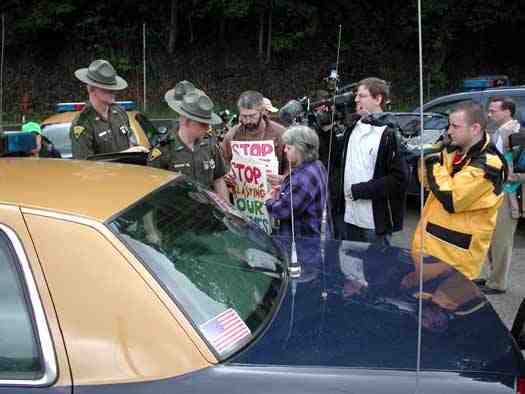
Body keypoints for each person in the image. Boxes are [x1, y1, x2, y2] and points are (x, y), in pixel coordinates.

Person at [412, 102, 506, 281]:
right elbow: (427, 184)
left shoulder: (489, 165)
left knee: (446, 305)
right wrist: (427, 157)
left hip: (456, 257)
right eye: (449, 125)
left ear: (475, 128)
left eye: (455, 126)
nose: (449, 131)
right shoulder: (453, 152)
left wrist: (432, 163)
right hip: (431, 245)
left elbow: (452, 199)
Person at [333, 77, 409, 245]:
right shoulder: (351, 129)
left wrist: (360, 190)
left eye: (362, 96)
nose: (356, 100)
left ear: (378, 99)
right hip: (348, 218)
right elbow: (335, 162)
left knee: (376, 269)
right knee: (349, 267)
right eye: (356, 95)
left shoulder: (389, 134)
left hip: (373, 223)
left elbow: (400, 179)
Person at [147, 89, 229, 201]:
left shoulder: (210, 145)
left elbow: (218, 179)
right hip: (177, 216)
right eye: (202, 124)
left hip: (208, 213)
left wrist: (227, 213)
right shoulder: (163, 151)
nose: (207, 128)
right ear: (186, 121)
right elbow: (152, 195)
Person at [476, 97, 522, 294]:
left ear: (507, 112)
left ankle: (498, 282)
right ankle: (492, 277)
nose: (489, 114)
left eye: (494, 110)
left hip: (509, 194)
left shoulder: (514, 133)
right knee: (493, 237)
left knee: (502, 239)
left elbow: (516, 166)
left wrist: (511, 176)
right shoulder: (500, 132)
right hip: (498, 192)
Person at [264, 125, 333, 238]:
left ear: (301, 150)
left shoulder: (303, 178)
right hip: (317, 237)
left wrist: (268, 201)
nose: (285, 150)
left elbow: (284, 211)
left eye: (289, 148)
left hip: (305, 244)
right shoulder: (316, 165)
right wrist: (284, 182)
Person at [70, 59, 145, 159]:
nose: (113, 91)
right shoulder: (82, 124)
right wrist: (125, 154)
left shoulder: (119, 113)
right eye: (107, 89)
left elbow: (131, 142)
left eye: (113, 87)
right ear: (92, 89)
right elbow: (85, 166)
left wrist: (138, 150)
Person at [221, 91, 288, 177]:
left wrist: (283, 179)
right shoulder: (232, 135)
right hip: (240, 188)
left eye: (252, 116)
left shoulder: (281, 133)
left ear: (262, 111)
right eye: (244, 116)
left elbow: (292, 167)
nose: (248, 121)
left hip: (274, 188)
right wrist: (228, 174)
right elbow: (222, 164)